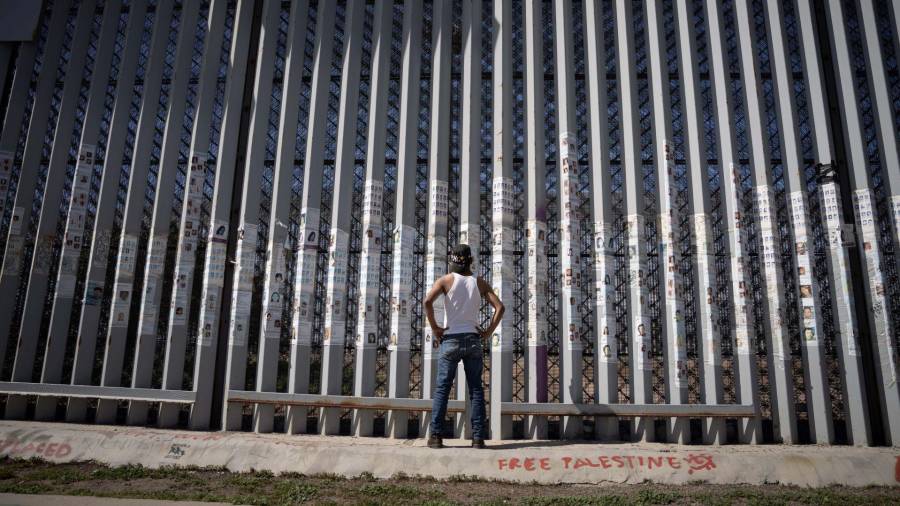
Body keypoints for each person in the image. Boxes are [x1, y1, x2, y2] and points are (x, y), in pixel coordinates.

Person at [423, 244, 504, 450]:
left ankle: (436, 437)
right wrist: (488, 332)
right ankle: (478, 438)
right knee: (476, 389)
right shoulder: (479, 282)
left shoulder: (446, 280)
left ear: (453, 260)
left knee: (443, 388)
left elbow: (427, 302)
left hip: (450, 339)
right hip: (473, 339)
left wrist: (435, 328)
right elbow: (500, 307)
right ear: (471, 261)